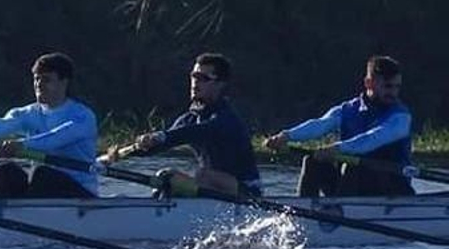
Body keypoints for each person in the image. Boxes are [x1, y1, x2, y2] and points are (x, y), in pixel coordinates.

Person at [104, 53, 261, 198]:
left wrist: (160, 136)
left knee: (201, 175)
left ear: (220, 84)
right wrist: (121, 154)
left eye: (203, 78)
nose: (195, 82)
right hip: (216, 189)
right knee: (167, 178)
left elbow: (195, 132)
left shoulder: (226, 119)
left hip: (247, 191)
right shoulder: (190, 118)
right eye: (193, 76)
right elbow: (163, 143)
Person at [0, 52, 99, 199]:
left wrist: (22, 145)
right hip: (46, 188)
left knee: (41, 173)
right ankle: (0, 213)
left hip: (81, 192)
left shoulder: (83, 116)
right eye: (36, 79)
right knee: (5, 171)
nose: (39, 85)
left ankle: (26, 211)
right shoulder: (28, 113)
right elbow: (3, 125)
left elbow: (56, 138)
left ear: (64, 82)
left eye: (46, 80)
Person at [264, 55, 414, 197]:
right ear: (368, 83)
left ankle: (340, 209)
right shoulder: (348, 110)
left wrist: (337, 148)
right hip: (354, 183)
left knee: (351, 166)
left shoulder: (401, 116)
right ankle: (304, 208)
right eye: (388, 86)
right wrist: (285, 136)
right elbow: (320, 125)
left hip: (392, 185)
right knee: (312, 161)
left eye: (397, 87)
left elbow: (372, 139)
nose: (393, 93)